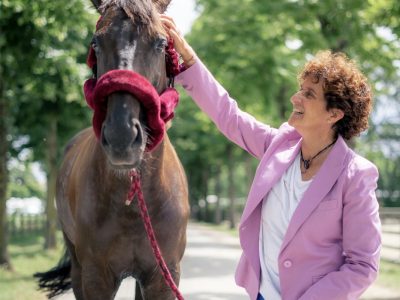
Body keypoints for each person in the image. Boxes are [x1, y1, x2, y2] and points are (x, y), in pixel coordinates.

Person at [161, 15, 381, 300]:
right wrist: (188, 59)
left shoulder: (356, 175)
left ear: (334, 114)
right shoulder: (280, 145)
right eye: (300, 89)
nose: (295, 98)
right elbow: (229, 115)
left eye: (309, 94)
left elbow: (362, 265)